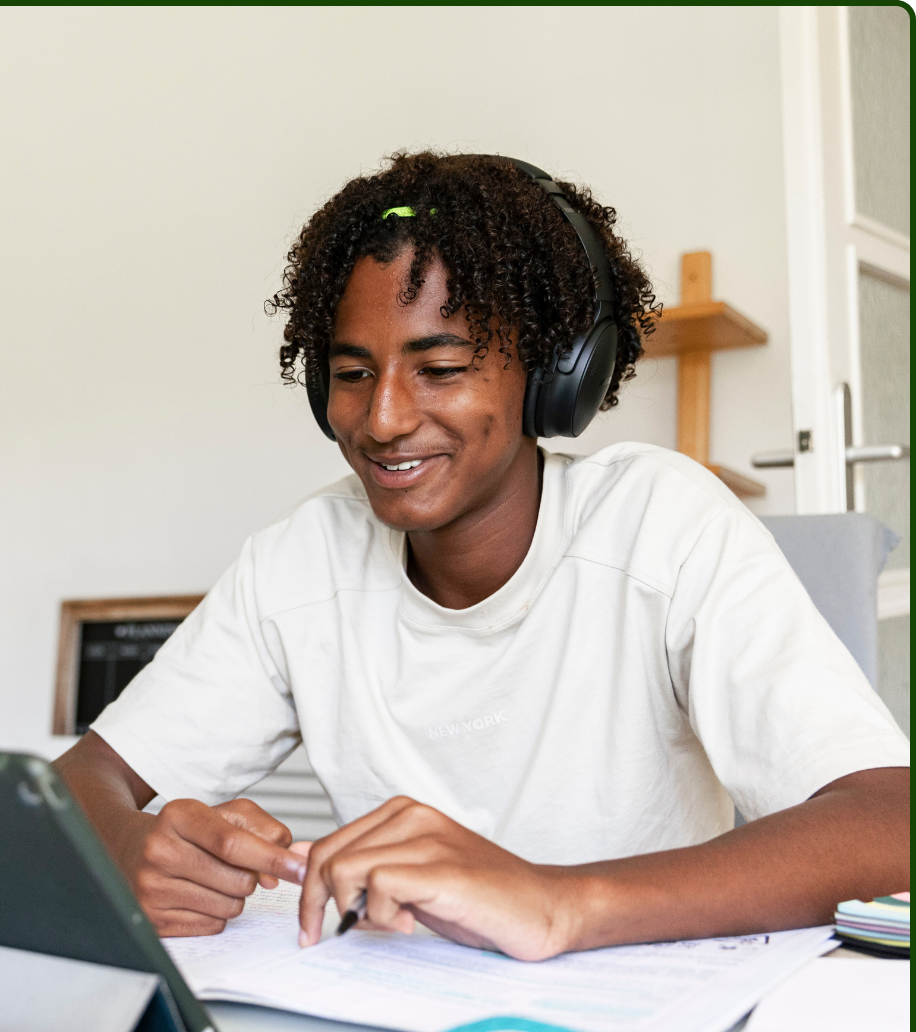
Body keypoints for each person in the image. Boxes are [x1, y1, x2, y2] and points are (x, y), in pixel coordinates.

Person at [55, 151, 909, 962]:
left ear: (553, 374)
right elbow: (76, 785)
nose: (384, 418)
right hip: (399, 1013)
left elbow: (890, 820)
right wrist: (131, 846)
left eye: (442, 367)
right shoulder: (303, 562)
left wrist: (555, 901)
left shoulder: (661, 524)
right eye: (353, 374)